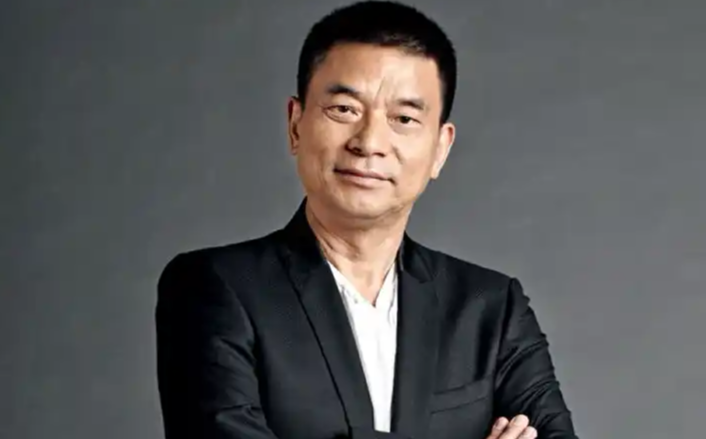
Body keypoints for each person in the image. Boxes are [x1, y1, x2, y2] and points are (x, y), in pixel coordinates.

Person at [155, 1, 578, 439]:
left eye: (404, 118)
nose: (370, 142)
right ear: (296, 125)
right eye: (344, 109)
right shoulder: (215, 287)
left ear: (440, 148)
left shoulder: (491, 306)